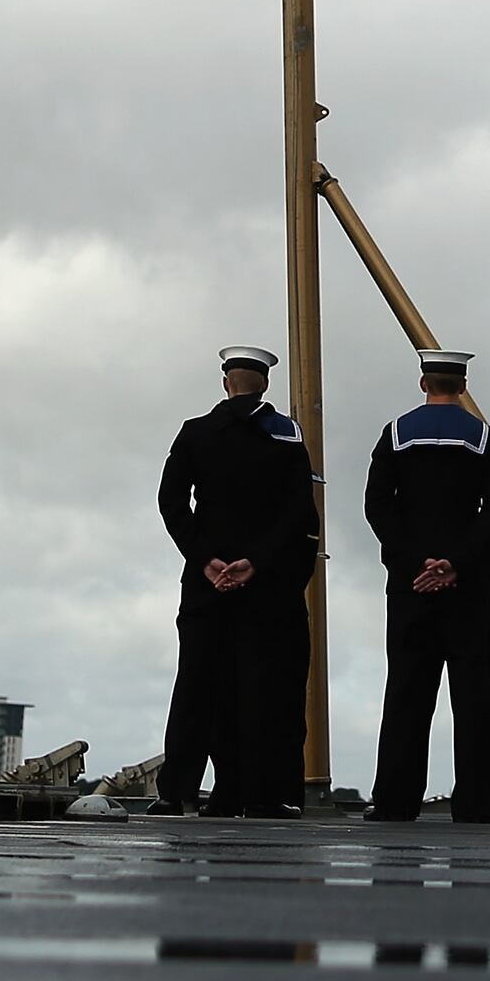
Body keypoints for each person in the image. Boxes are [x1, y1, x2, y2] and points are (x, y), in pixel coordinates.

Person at [156, 344, 318, 818]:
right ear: (264, 383)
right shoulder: (286, 437)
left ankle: (177, 790)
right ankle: (265, 794)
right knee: (269, 689)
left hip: (206, 585)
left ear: (226, 382)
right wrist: (256, 562)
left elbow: (171, 502)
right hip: (268, 588)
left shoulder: (195, 433)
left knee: (196, 685)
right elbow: (299, 513)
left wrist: (206, 560)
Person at [361, 346, 490, 824]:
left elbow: (377, 507)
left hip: (411, 588)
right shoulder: (485, 439)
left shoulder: (395, 435)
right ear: (463, 386)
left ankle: (394, 799)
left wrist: (416, 563)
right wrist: (456, 564)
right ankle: (476, 802)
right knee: (473, 698)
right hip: (469, 590)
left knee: (406, 693)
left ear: (423, 382)